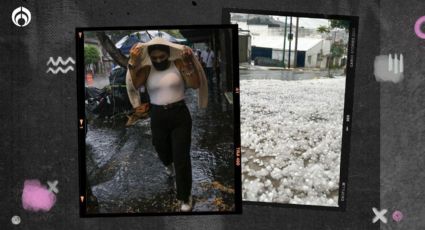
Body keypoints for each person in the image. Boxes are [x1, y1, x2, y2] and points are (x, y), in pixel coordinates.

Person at [125, 37, 208, 212]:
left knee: (182, 158)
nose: (158, 61)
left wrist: (188, 64)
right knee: (160, 147)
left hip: (180, 115)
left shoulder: (178, 64)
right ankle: (168, 163)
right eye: (155, 58)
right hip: (157, 115)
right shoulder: (147, 69)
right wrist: (133, 61)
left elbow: (195, 84)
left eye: (162, 57)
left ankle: (185, 196)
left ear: (168, 54)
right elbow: (136, 84)